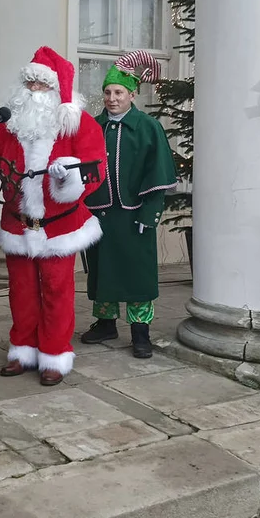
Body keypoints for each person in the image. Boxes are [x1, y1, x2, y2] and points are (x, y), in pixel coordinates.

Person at [0, 47, 107, 385]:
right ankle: (22, 348)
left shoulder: (79, 124)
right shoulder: (9, 124)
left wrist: (68, 175)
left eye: (41, 85)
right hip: (18, 223)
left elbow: (94, 169)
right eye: (29, 83)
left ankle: (54, 354)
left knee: (58, 291)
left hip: (61, 226)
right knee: (21, 290)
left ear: (57, 90)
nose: (34, 91)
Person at [81, 53, 177, 358]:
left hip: (135, 214)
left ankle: (140, 333)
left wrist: (150, 214)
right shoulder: (93, 127)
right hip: (100, 214)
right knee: (103, 270)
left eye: (118, 93)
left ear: (132, 95)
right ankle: (105, 322)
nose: (112, 98)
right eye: (108, 92)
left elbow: (159, 174)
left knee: (136, 274)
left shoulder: (149, 127)